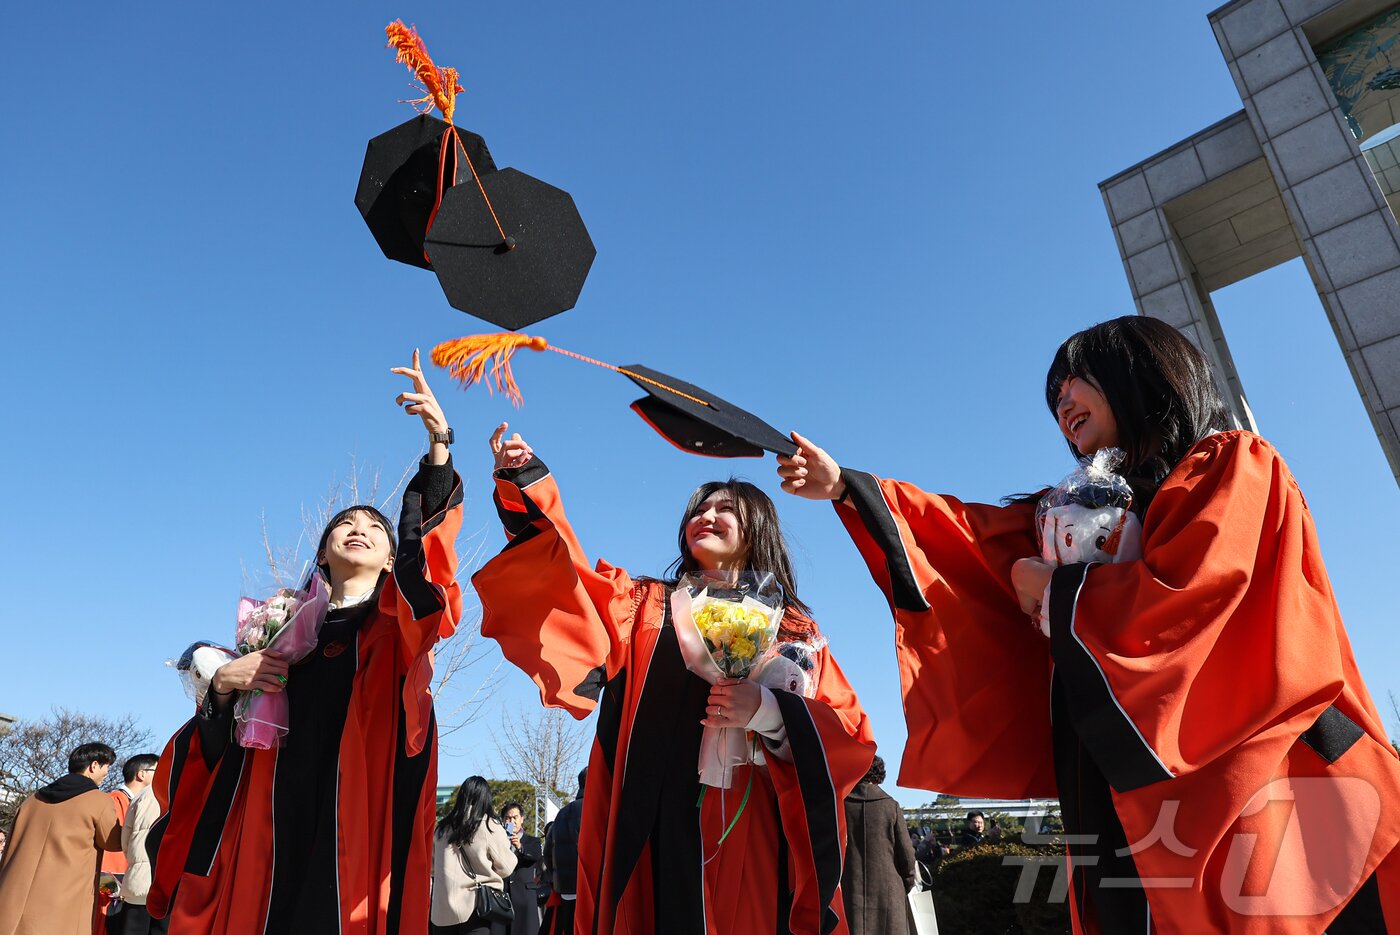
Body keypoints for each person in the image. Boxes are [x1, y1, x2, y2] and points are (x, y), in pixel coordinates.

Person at [777, 315, 1400, 933]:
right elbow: (969, 541)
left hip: (1260, 771)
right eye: (1054, 397)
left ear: (1145, 370)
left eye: (1076, 379)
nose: (1062, 402)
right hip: (1123, 793)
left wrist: (1059, 590)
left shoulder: (1233, 463)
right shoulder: (1070, 511)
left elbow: (1202, 596)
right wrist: (846, 490)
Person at [476, 423, 876, 934]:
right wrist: (526, 479)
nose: (704, 516)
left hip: (755, 830)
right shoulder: (644, 605)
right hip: (657, 825)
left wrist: (770, 713)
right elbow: (567, 577)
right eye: (697, 511)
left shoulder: (797, 629)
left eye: (723, 509)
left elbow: (848, 733)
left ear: (759, 528)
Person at [146, 350, 464, 934]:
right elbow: (215, 751)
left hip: (356, 822)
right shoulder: (279, 629)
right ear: (322, 552)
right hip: (267, 823)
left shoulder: (395, 624)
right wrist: (221, 685)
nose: (360, 528)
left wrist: (440, 448)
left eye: (375, 527)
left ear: (393, 556)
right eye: (345, 523)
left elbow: (433, 575)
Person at [0, 743, 123, 935]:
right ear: (94, 765)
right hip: (61, 900)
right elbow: (113, 841)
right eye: (107, 766)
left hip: (12, 896)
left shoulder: (32, 800)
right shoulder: (98, 801)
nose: (107, 772)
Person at [431, 776, 517, 935]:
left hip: (441, 910)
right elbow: (506, 867)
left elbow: (432, 867)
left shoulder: (441, 829)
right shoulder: (489, 825)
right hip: (475, 907)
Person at [841, 755, 916, 935]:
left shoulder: (840, 806)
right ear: (879, 775)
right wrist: (905, 884)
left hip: (850, 892)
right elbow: (907, 855)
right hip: (889, 894)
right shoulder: (890, 806)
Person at [98, 755, 158, 935]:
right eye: (157, 770)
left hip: (128, 885)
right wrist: (110, 886)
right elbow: (109, 852)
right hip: (112, 891)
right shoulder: (115, 801)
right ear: (141, 774)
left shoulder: (130, 800)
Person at [115, 767, 167, 935]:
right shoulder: (179, 790)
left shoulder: (141, 795)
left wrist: (135, 863)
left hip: (137, 883)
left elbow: (125, 840)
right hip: (167, 884)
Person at [540, 769, 585, 935]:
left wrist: (556, 877)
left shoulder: (562, 813)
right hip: (591, 889)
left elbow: (547, 853)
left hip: (566, 890)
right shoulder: (597, 807)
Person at [498, 802, 543, 935]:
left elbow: (535, 857)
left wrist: (520, 847)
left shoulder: (533, 841)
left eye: (515, 817)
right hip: (503, 898)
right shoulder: (498, 842)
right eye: (508, 818)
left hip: (525, 898)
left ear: (522, 819)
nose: (511, 821)